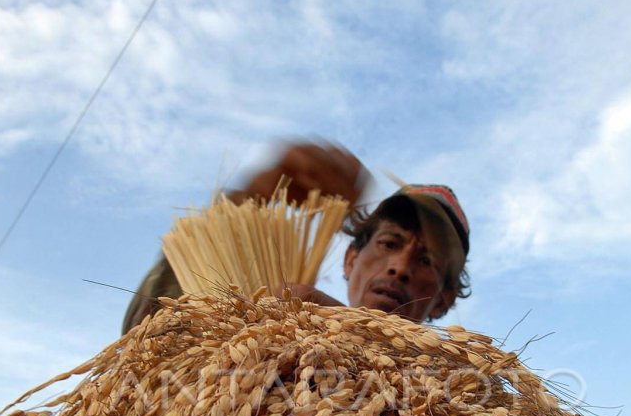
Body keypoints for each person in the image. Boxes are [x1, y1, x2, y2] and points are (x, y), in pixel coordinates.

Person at [122, 141, 470, 332]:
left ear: (444, 299)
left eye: (427, 260)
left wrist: (369, 340)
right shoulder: (274, 327)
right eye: (389, 243)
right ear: (351, 259)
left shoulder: (463, 390)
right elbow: (145, 333)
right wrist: (241, 209)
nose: (400, 266)